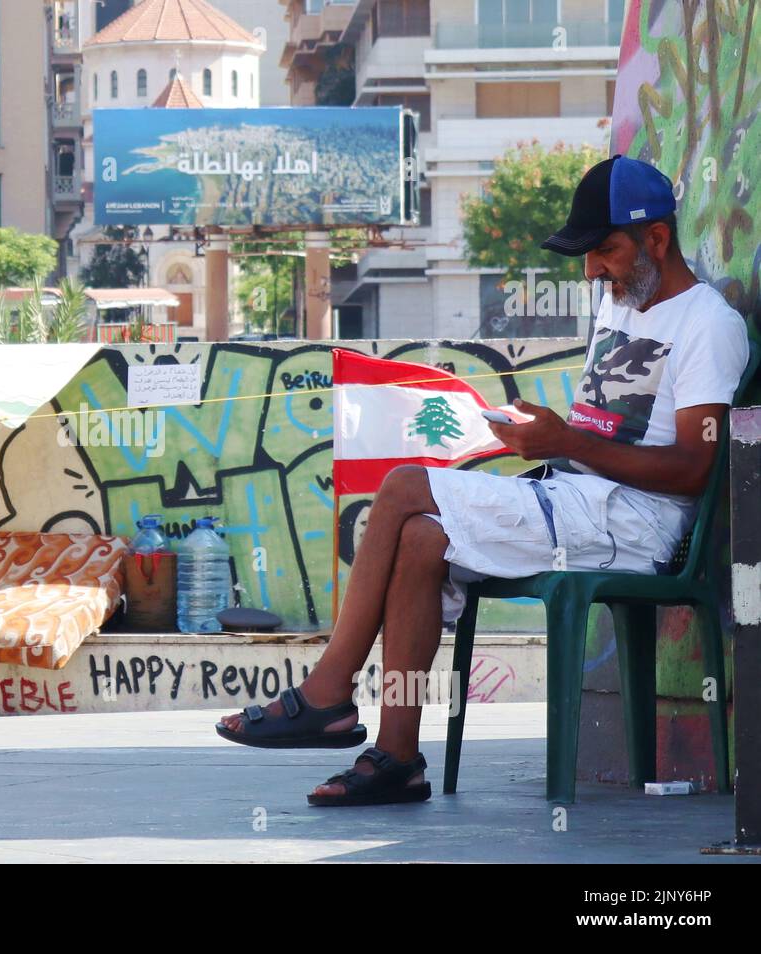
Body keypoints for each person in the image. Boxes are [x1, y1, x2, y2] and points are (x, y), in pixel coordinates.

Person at [216, 155, 751, 806]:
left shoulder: (709, 325)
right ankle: (397, 758)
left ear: (657, 239)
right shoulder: (620, 303)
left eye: (604, 252)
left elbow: (694, 469)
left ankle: (327, 693)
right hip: (574, 496)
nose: (591, 270)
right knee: (420, 538)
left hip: (637, 524)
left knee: (404, 487)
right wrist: (541, 433)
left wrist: (565, 441)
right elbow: (598, 432)